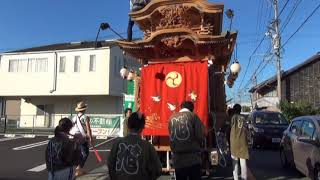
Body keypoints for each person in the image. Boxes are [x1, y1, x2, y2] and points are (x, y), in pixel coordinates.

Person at [107, 112, 162, 180]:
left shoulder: (117, 143)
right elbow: (158, 169)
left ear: (128, 125)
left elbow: (110, 164)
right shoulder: (147, 146)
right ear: (143, 126)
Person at [168, 101, 205, 180]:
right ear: (192, 109)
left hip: (178, 158)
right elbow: (200, 135)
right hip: (192, 158)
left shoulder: (171, 118)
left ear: (181, 107)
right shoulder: (193, 116)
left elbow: (170, 136)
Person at [70, 101, 94, 177]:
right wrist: (90, 138)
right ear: (84, 109)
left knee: (78, 153)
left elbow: (72, 127)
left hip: (74, 137)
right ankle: (78, 169)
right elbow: (88, 128)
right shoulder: (85, 117)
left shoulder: (74, 117)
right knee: (85, 153)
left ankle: (78, 169)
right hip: (82, 137)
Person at [230, 104, 249, 180]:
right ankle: (244, 177)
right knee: (243, 161)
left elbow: (230, 127)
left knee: (234, 161)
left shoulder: (233, 117)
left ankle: (236, 178)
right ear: (240, 110)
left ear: (234, 110)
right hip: (242, 141)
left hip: (234, 141)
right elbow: (246, 129)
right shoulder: (243, 118)